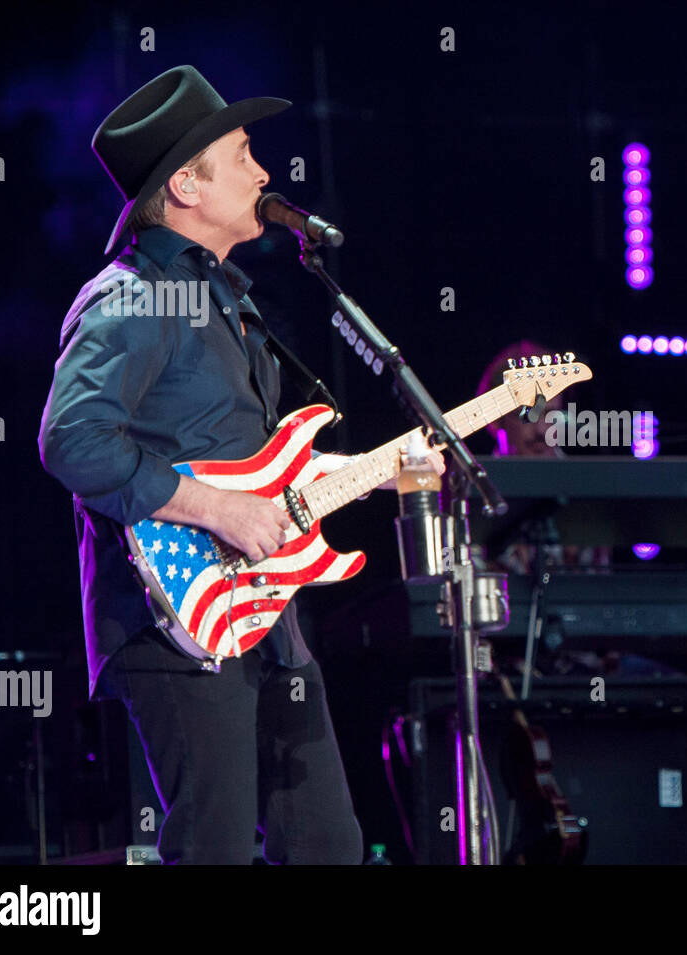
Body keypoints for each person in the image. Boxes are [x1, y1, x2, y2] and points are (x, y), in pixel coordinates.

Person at [39, 65, 441, 864]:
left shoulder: (226, 294)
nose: (264, 173)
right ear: (186, 184)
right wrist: (219, 511)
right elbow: (71, 439)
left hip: (264, 611)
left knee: (326, 843)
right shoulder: (136, 294)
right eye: (244, 153)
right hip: (172, 618)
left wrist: (374, 468)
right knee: (213, 847)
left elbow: (249, 465)